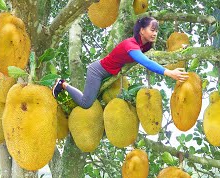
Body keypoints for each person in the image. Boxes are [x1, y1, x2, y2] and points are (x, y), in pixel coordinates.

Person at [52, 16, 189, 109]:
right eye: (152, 30)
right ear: (142, 30)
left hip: (110, 72)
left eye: (156, 31)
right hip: (97, 71)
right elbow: (146, 62)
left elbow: (157, 57)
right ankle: (62, 84)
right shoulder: (131, 45)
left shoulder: (145, 45)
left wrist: (178, 52)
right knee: (86, 103)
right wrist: (169, 72)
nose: (155, 34)